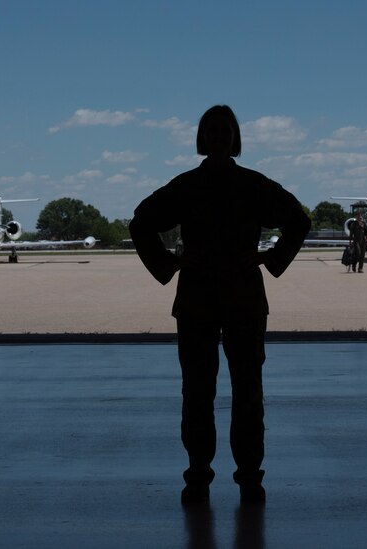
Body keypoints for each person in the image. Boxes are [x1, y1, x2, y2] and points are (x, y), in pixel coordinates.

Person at [129, 105, 311, 505]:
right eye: (211, 130)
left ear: (234, 137)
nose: (217, 136)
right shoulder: (202, 186)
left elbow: (299, 221)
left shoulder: (242, 185)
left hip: (230, 298)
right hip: (211, 298)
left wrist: (268, 257)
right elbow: (140, 222)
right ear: (203, 137)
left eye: (223, 130)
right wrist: (173, 262)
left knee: (245, 391)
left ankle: (243, 475)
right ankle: (203, 473)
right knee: (199, 391)